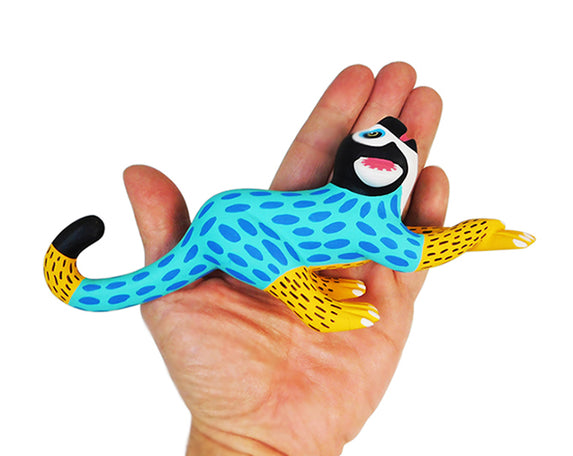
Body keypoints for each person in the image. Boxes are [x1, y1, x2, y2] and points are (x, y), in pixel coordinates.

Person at [123, 62, 448, 455]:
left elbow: (414, 250)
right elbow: (415, 253)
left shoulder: (373, 219)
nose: (389, 147)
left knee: (294, 261)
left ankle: (315, 293)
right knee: (285, 266)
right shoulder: (361, 216)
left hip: (240, 222)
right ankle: (319, 310)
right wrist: (472, 236)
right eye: (375, 138)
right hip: (235, 227)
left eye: (400, 148)